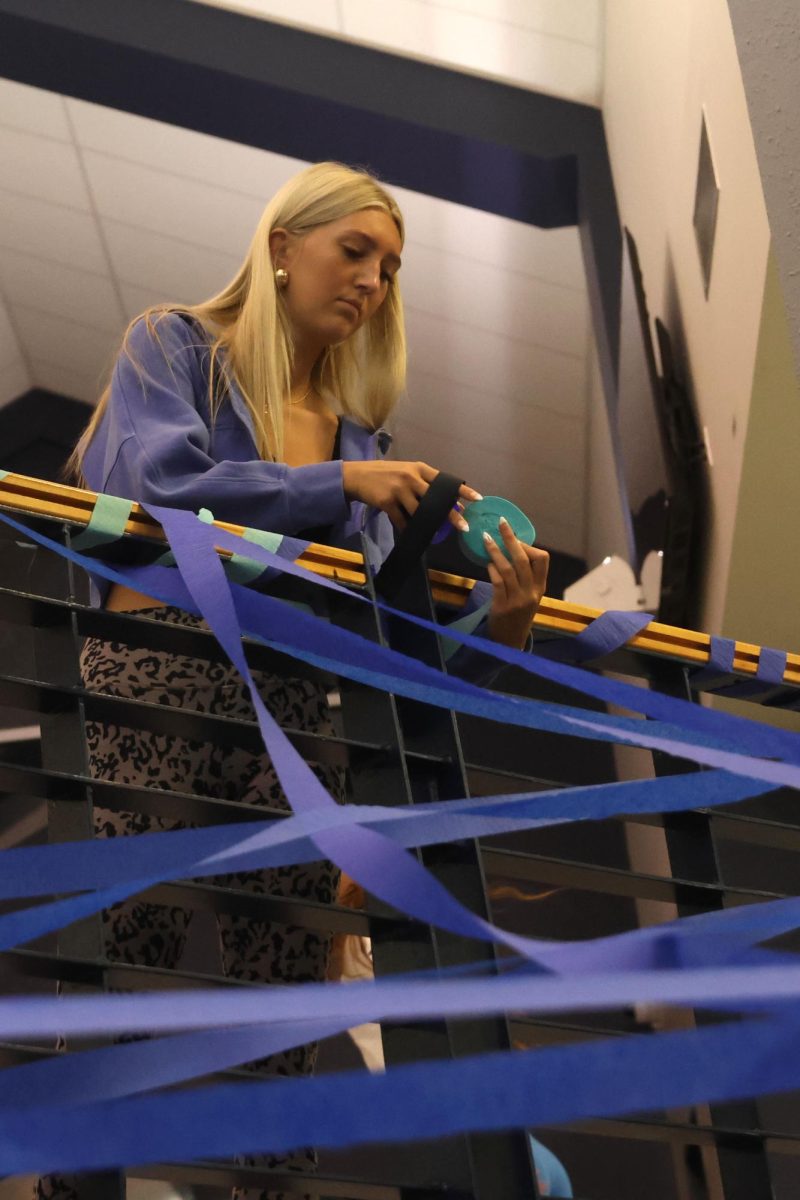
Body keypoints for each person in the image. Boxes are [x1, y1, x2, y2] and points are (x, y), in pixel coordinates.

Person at [38, 161, 549, 1200]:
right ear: (281, 246)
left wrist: (501, 627)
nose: (370, 281)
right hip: (162, 675)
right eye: (352, 250)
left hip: (300, 725)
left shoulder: (364, 444)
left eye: (390, 269)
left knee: (277, 1009)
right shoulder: (177, 346)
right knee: (126, 959)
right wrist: (337, 484)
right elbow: (154, 483)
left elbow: (370, 651)